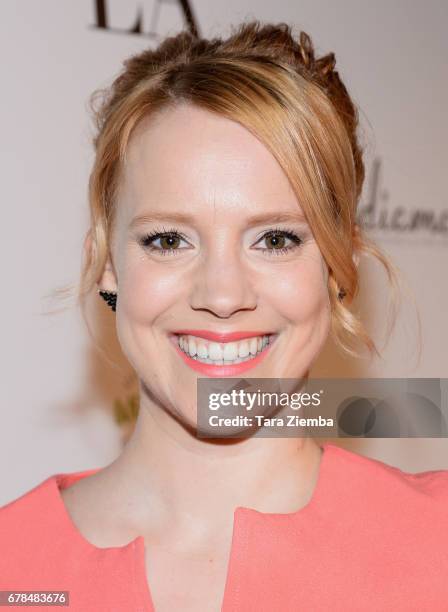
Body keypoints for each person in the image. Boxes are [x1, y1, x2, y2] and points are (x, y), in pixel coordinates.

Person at [1, 20, 447, 612]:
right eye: (167, 240)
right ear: (106, 265)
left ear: (340, 267)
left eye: (276, 239)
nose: (222, 292)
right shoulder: (14, 566)